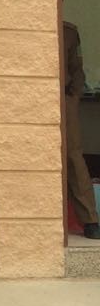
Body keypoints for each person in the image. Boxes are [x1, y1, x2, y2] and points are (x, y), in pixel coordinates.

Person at [62, 14, 100, 238]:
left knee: (73, 156)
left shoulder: (68, 32)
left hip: (64, 98)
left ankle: (90, 219)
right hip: (35, 96)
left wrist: (73, 97)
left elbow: (77, 68)